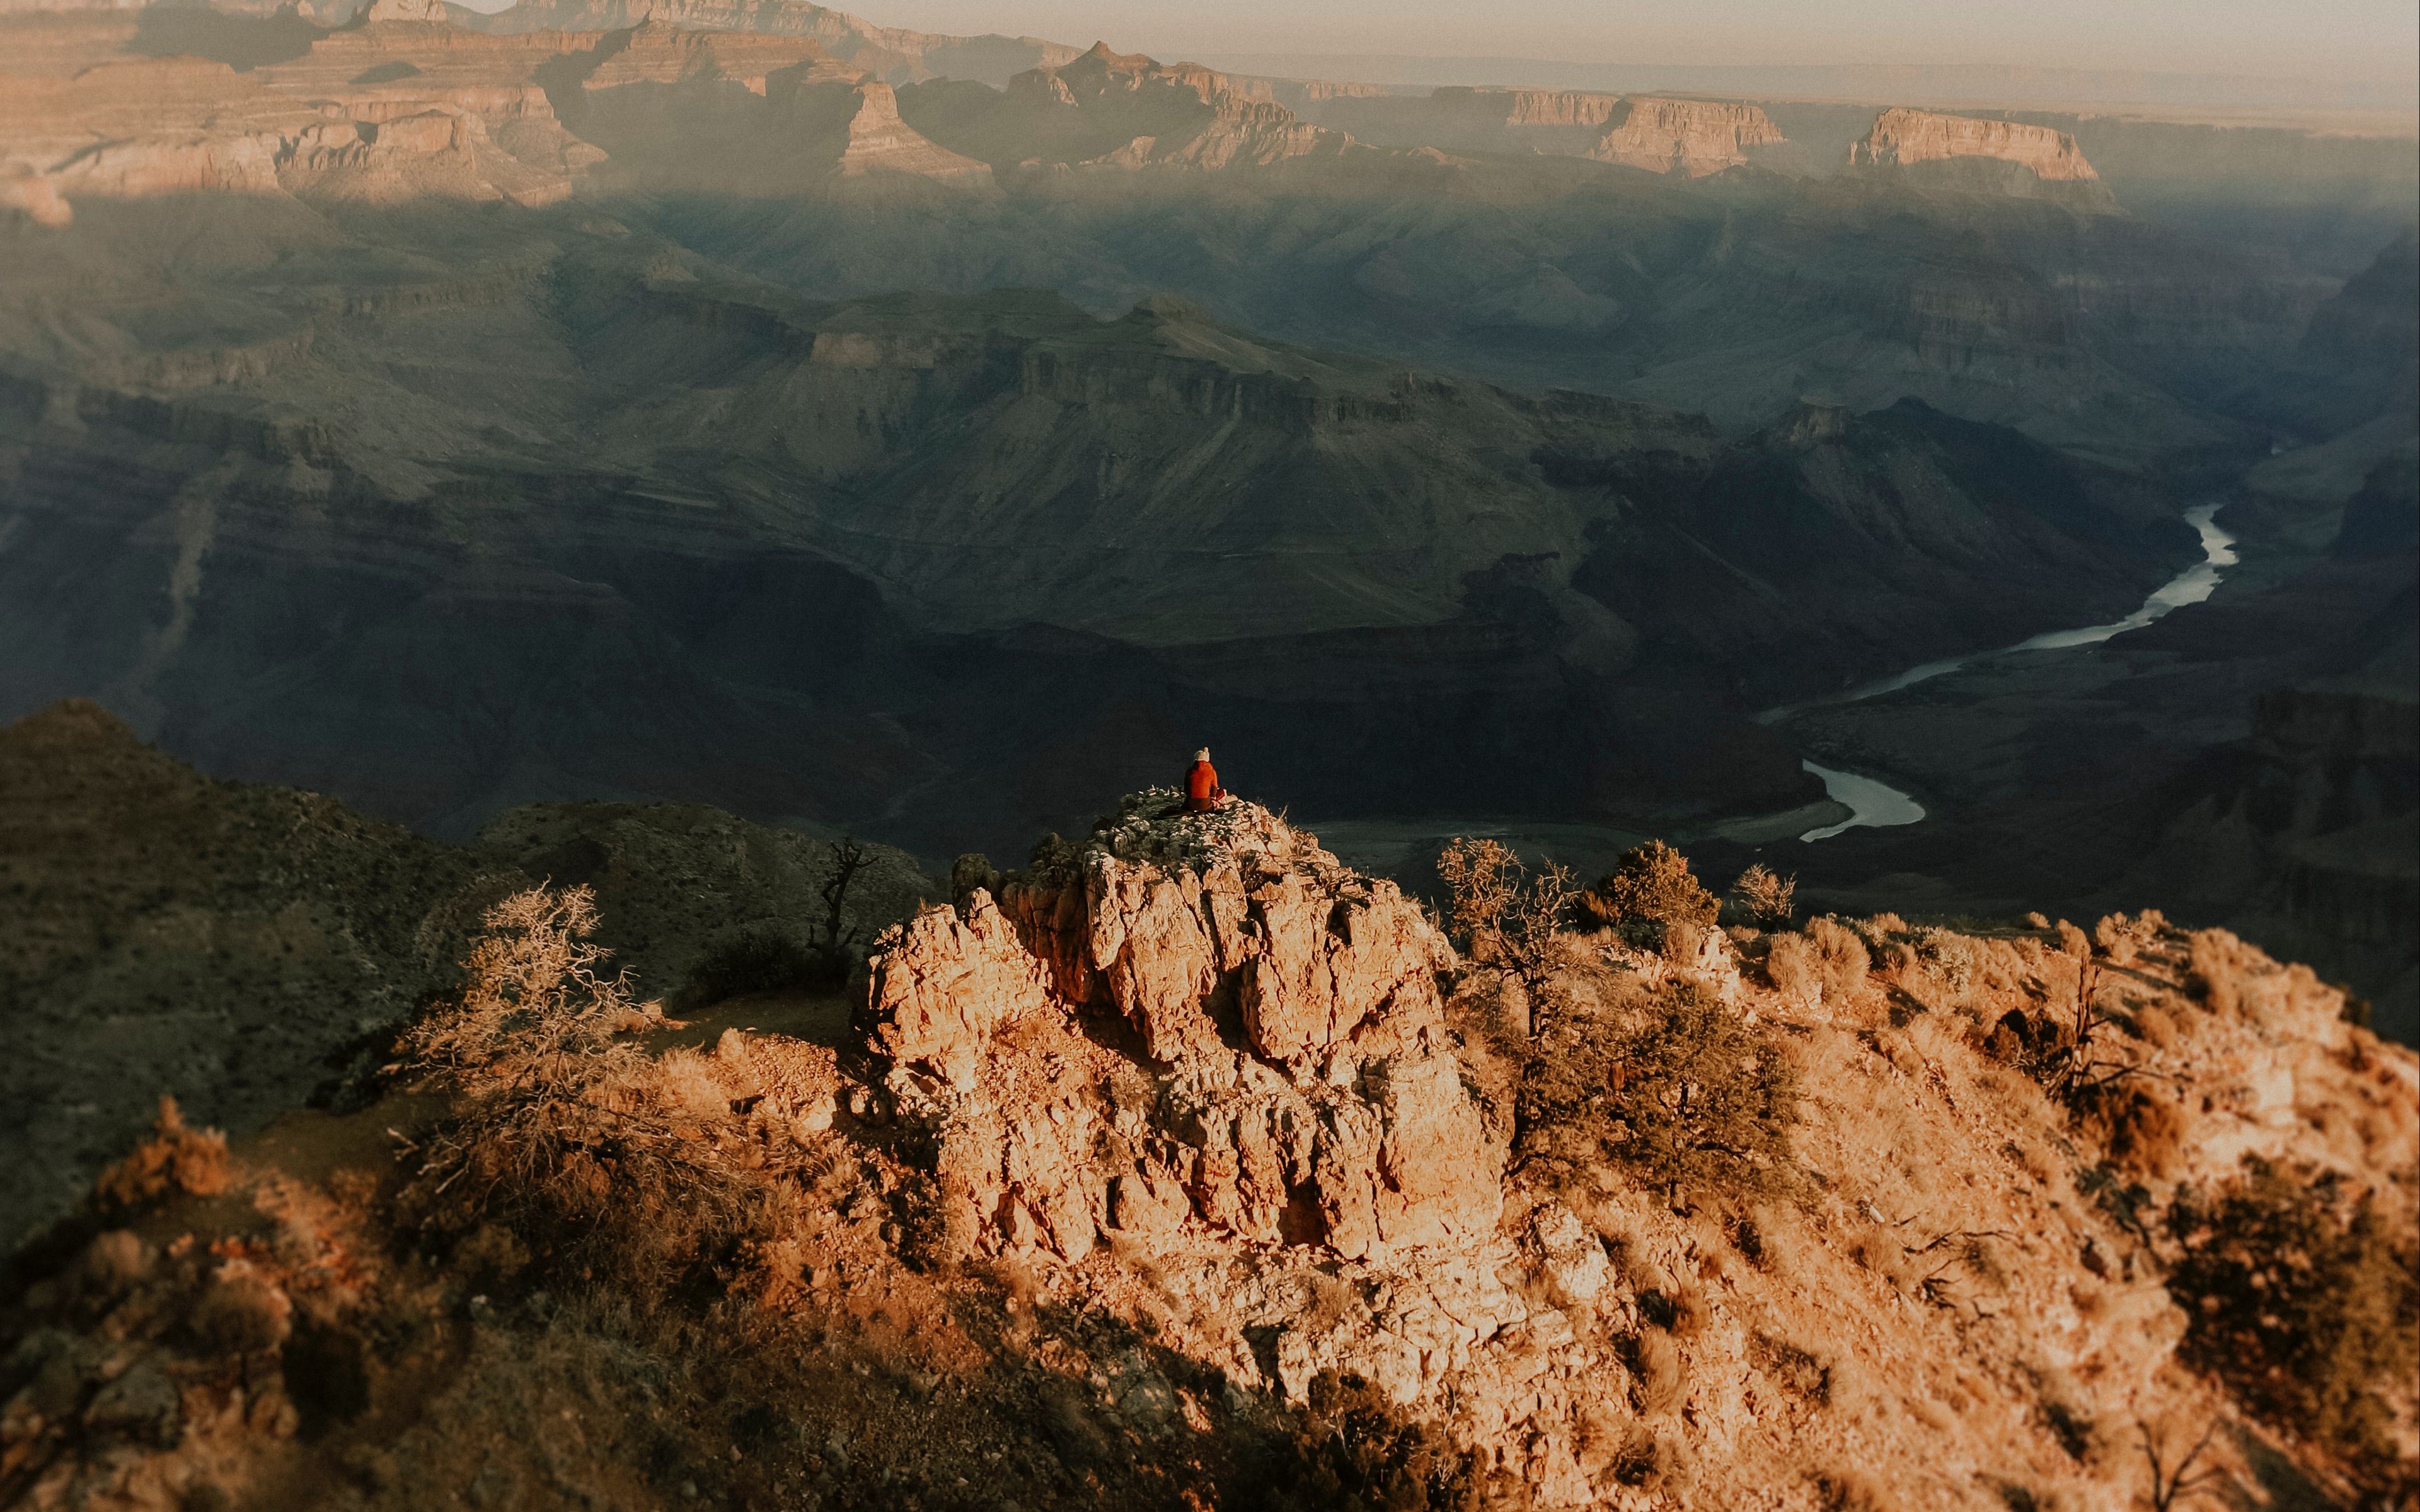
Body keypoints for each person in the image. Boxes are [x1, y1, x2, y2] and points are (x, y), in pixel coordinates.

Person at [1185, 747, 1228, 813]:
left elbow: (1186, 789)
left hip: (1190, 805)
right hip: (1205, 805)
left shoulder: (1190, 771)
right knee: (1222, 792)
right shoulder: (1212, 771)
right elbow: (1214, 789)